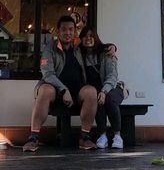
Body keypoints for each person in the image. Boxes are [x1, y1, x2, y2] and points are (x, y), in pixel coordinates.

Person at [23, 15, 110, 152]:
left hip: (77, 89)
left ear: (75, 31)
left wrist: (112, 47)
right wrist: (63, 90)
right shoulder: (50, 48)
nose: (68, 33)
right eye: (64, 29)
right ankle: (33, 137)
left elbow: (95, 44)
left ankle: (84, 137)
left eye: (71, 29)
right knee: (45, 90)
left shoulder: (78, 46)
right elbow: (48, 74)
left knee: (91, 92)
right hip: (55, 89)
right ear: (58, 31)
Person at [78, 26, 124, 150]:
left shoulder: (106, 53)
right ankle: (102, 135)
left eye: (91, 36)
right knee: (96, 98)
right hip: (95, 91)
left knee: (108, 98)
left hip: (112, 88)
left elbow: (112, 76)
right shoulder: (79, 55)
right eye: (85, 36)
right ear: (81, 39)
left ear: (96, 38)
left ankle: (117, 136)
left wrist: (104, 91)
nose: (88, 38)